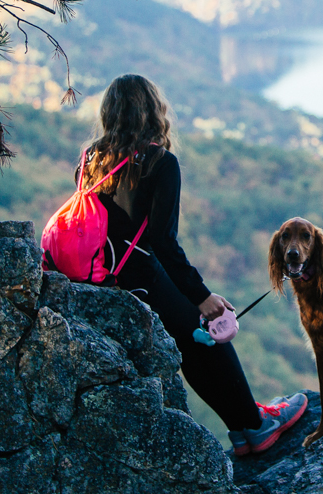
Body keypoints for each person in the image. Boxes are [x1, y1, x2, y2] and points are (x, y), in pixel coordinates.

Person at [79, 74, 306, 454]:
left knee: (191, 343)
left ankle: (242, 428)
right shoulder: (160, 162)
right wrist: (201, 296)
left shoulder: (91, 159)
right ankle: (256, 425)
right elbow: (164, 242)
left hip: (104, 278)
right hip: (143, 274)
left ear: (109, 113)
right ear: (153, 110)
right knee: (207, 329)